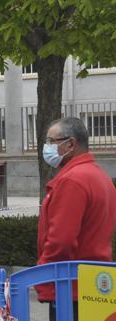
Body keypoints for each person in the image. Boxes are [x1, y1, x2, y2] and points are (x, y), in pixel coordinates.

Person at [36, 117, 116, 321]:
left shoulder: (72, 180)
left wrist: (41, 277)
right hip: (97, 282)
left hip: (70, 286)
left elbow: (60, 241)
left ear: (70, 144)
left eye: (51, 141)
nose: (47, 147)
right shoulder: (100, 176)